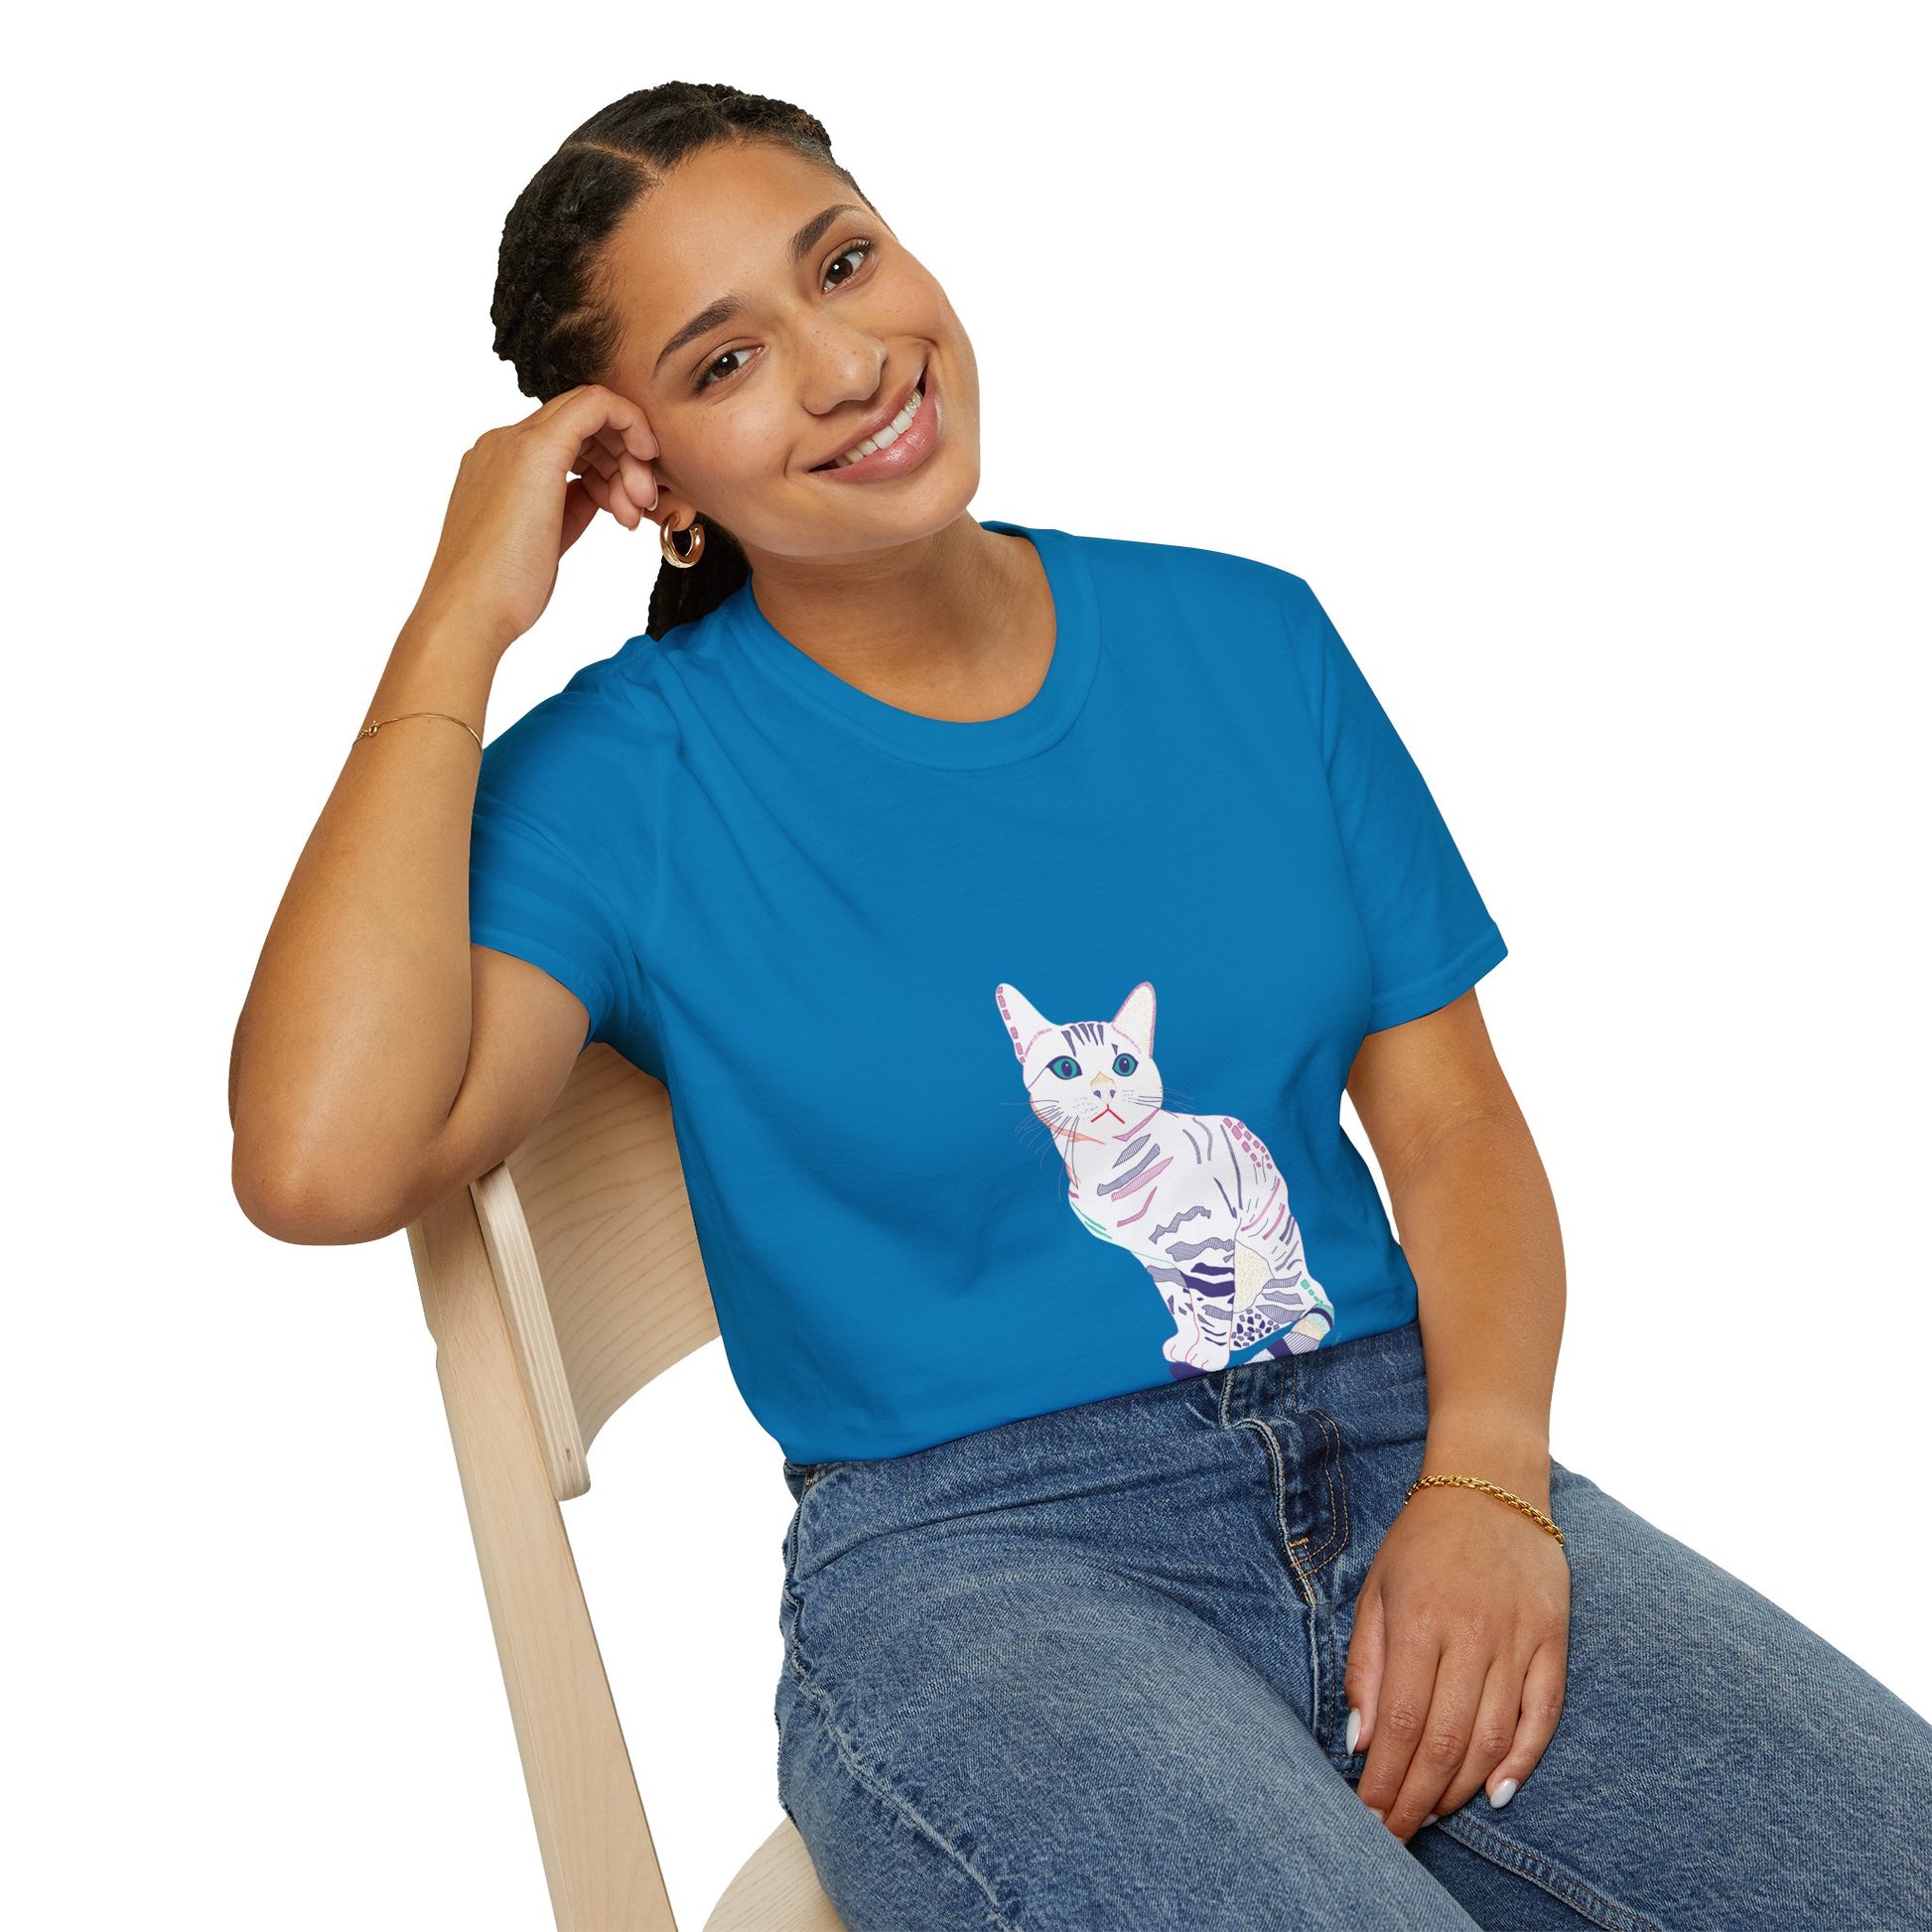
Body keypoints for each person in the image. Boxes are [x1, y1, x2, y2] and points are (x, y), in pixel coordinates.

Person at [228, 81, 1932, 1931]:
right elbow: (319, 1161)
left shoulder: (1250, 639)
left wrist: (1490, 1483)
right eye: (726, 361)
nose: (847, 365)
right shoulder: (628, 779)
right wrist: (457, 618)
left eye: (843, 264)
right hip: (981, 1565)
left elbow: (1452, 1129)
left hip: (1406, 1444)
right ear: (650, 481)